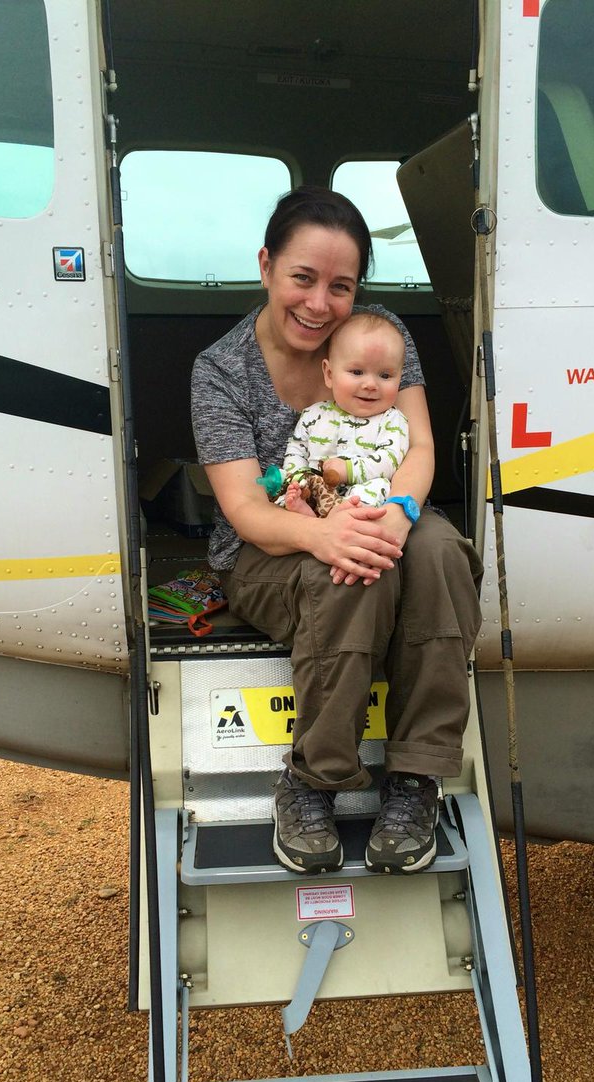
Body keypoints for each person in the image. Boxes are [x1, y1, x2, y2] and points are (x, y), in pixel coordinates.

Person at [191, 184, 483, 876]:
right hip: (269, 546)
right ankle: (313, 778)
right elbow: (245, 509)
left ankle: (416, 776)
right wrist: (326, 536)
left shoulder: (381, 337)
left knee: (442, 554)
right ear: (266, 266)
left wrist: (400, 516)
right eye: (303, 278)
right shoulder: (221, 370)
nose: (319, 303)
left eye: (341, 286)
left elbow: (419, 446)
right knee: (348, 577)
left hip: (383, 506)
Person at [275, 311, 409, 517]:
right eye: (357, 372)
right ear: (329, 374)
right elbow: (296, 449)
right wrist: (298, 478)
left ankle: (344, 514)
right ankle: (306, 510)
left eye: (385, 375)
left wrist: (348, 470)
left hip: (360, 492)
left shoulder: (392, 419)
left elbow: (389, 461)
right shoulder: (313, 415)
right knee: (289, 492)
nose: (370, 384)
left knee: (379, 485)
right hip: (317, 489)